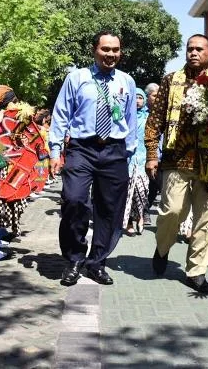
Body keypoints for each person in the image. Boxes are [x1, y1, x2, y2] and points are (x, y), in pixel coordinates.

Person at [49, 31, 137, 286]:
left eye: (116, 50)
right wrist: (55, 151)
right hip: (81, 148)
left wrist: (128, 153)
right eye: (105, 49)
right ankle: (74, 258)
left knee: (110, 210)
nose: (111, 54)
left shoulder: (126, 81)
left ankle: (97, 261)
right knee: (74, 200)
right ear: (94, 50)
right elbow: (61, 114)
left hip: (115, 151)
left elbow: (130, 119)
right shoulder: (77, 78)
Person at [145, 34, 208, 294]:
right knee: (171, 212)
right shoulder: (170, 80)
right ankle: (162, 247)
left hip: (207, 161)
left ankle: (197, 271)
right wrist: (151, 154)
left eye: (199, 49)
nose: (193, 53)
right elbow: (155, 120)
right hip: (174, 159)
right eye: (189, 48)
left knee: (204, 218)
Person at [124, 88, 150, 235]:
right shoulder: (126, 116)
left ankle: (140, 217)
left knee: (142, 191)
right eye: (135, 97)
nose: (138, 100)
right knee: (129, 193)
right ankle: (128, 223)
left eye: (140, 97)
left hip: (144, 159)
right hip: (128, 160)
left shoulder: (149, 117)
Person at [144, 82, 162, 210]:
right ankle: (139, 214)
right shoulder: (140, 112)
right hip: (141, 156)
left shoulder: (163, 113)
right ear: (147, 96)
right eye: (155, 95)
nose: (157, 99)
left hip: (160, 156)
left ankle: (145, 209)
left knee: (154, 186)